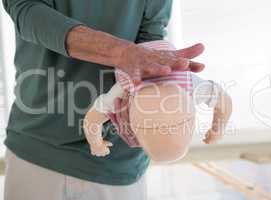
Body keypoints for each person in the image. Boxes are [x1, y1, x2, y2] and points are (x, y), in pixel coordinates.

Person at [2, 0, 206, 199]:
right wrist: (122, 53)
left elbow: (150, 36)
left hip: (116, 161)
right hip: (37, 149)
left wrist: (147, 97)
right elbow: (25, 10)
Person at [84, 40, 232, 162]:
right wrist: (96, 144)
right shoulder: (123, 90)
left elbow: (224, 101)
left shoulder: (193, 87)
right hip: (132, 54)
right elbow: (92, 120)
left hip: (157, 49)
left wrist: (218, 129)